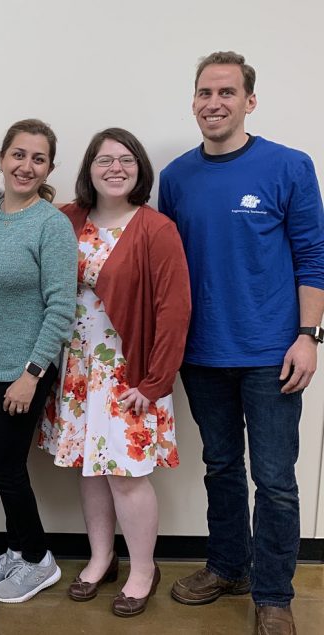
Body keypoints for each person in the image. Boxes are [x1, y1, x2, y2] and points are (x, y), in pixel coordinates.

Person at [159, 51, 324, 635]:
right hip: (201, 354)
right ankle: (228, 566)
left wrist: (308, 337)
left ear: (249, 101)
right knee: (220, 466)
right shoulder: (175, 177)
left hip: (272, 355)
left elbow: (313, 256)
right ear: (193, 102)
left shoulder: (289, 166)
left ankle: (274, 596)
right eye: (205, 93)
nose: (214, 103)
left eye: (227, 92)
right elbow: (170, 267)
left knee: (275, 481)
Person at [38, 128, 191, 617]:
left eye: (126, 160)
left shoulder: (155, 229)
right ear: (89, 169)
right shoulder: (67, 218)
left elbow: (174, 311)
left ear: (140, 169)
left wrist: (155, 382)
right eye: (104, 160)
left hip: (130, 374)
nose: (115, 168)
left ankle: (143, 569)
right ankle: (101, 558)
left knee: (126, 476)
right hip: (77, 370)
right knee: (92, 469)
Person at [0, 119, 76, 604]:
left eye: (38, 159)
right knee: (2, 466)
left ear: (49, 168)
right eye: (19, 154)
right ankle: (15, 550)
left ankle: (38, 558)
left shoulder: (52, 225)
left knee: (4, 469)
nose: (26, 166)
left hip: (24, 370)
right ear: (2, 158)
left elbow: (61, 307)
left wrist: (32, 374)